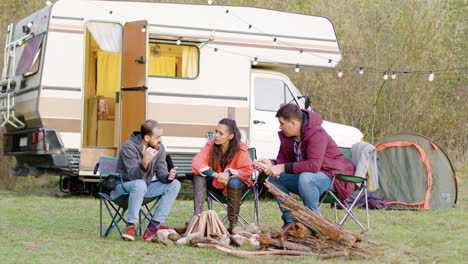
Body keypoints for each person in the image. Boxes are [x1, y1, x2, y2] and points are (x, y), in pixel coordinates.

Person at [253, 104, 355, 228]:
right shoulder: (288, 136)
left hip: (334, 177)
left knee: (306, 178)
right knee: (274, 179)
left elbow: (313, 166)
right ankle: (290, 221)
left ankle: (313, 221)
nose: (280, 127)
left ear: (293, 123)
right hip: (308, 177)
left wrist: (281, 168)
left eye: (282, 123)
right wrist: (272, 164)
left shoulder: (317, 133)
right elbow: (284, 161)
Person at [112, 120, 181, 241]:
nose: (161, 140)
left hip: (144, 188)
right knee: (139, 184)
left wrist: (168, 176)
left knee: (175, 184)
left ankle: (152, 228)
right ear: (147, 137)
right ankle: (130, 226)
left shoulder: (160, 148)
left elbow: (161, 172)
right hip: (122, 189)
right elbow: (133, 176)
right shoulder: (129, 147)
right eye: (158, 137)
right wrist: (145, 162)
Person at [191, 118, 253, 232]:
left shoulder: (240, 148)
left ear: (231, 136)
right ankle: (197, 219)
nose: (216, 135)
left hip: (237, 186)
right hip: (217, 183)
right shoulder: (211, 145)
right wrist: (216, 175)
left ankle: (233, 225)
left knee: (233, 181)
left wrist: (228, 173)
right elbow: (197, 162)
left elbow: (247, 170)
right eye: (216, 131)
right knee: (198, 175)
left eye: (221, 133)